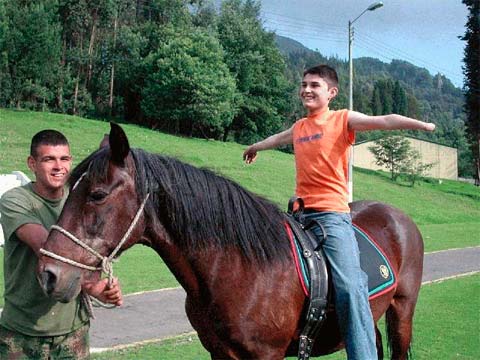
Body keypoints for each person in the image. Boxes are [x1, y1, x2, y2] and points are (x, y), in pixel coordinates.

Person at [243, 64, 435, 359]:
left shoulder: (342, 120)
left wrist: (420, 126)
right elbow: (277, 139)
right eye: (304, 84)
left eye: (314, 85)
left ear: (331, 93)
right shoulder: (299, 127)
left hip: (332, 217)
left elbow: (383, 120)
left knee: (349, 286)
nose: (306, 89)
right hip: (298, 215)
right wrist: (255, 146)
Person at [0, 129, 123, 359]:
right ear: (32, 163)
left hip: (73, 334)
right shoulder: (15, 201)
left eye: (64, 159)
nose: (59, 166)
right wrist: (92, 287)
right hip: (21, 335)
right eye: (49, 159)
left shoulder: (79, 201)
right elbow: (48, 250)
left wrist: (103, 287)